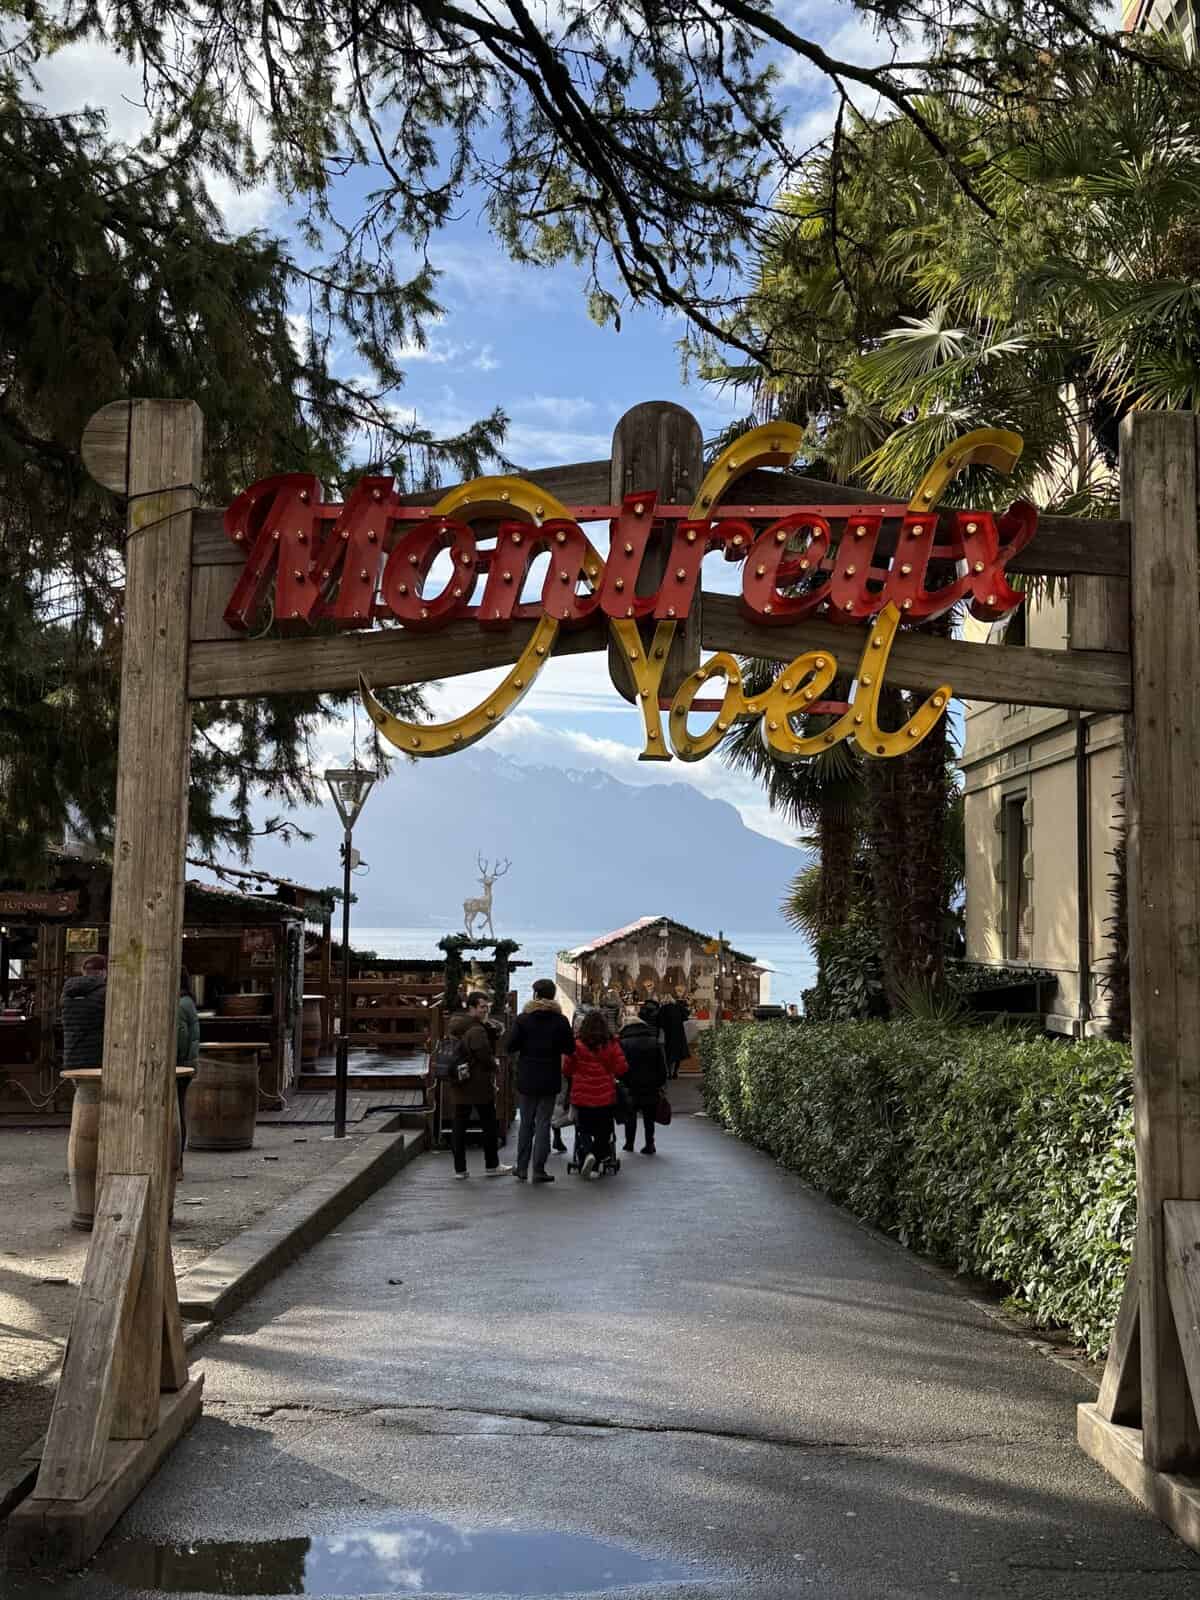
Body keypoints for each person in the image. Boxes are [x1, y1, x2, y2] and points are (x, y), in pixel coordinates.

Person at [506, 978, 574, 1184]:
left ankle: (521, 1168)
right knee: (544, 1122)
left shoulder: (523, 1019)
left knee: (526, 1123)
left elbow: (510, 1046)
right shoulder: (560, 1021)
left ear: (535, 995)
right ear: (553, 995)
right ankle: (538, 1169)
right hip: (550, 1077)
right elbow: (569, 1048)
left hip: (527, 1076)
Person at [445, 992, 513, 1180]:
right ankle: (492, 1165)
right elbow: (483, 1054)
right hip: (479, 1084)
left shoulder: (460, 1026)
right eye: (482, 1006)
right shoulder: (477, 1030)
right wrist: (495, 1065)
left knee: (459, 1126)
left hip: (460, 1082)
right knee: (489, 1126)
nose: (486, 1009)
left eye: (487, 1006)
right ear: (472, 1007)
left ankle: (460, 1169)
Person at [562, 1009, 628, 1179]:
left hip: (582, 1094)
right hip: (605, 1095)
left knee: (582, 1128)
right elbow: (621, 1067)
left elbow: (567, 1068)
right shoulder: (611, 1044)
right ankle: (596, 1156)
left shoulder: (576, 1045)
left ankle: (587, 1154)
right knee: (604, 1131)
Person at [618, 1003, 668, 1154]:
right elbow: (661, 1064)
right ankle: (650, 1143)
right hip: (651, 1084)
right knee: (649, 1116)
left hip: (630, 1083)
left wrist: (621, 1081)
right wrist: (661, 1082)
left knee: (630, 1114)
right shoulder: (653, 1041)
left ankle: (629, 1143)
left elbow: (621, 1065)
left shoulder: (623, 1042)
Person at [60, 954, 108, 1069]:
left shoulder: (66, 993)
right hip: (96, 1058)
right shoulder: (105, 993)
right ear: (103, 972)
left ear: (83, 971)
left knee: (82, 1087)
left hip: (71, 1057)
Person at [176, 968, 201, 1149]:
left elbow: (180, 1038)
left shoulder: (180, 1004)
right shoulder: (188, 1002)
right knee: (179, 1110)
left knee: (175, 1112)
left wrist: (175, 1061)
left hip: (180, 1065)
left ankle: (176, 1159)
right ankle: (178, 1162)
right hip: (188, 1063)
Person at [657, 994, 690, 1079]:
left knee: (668, 1053)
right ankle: (675, 1072)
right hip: (679, 1033)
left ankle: (669, 1073)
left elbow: (659, 1022)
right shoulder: (678, 1007)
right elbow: (686, 1016)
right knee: (678, 1054)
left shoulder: (663, 1009)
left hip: (668, 1034)